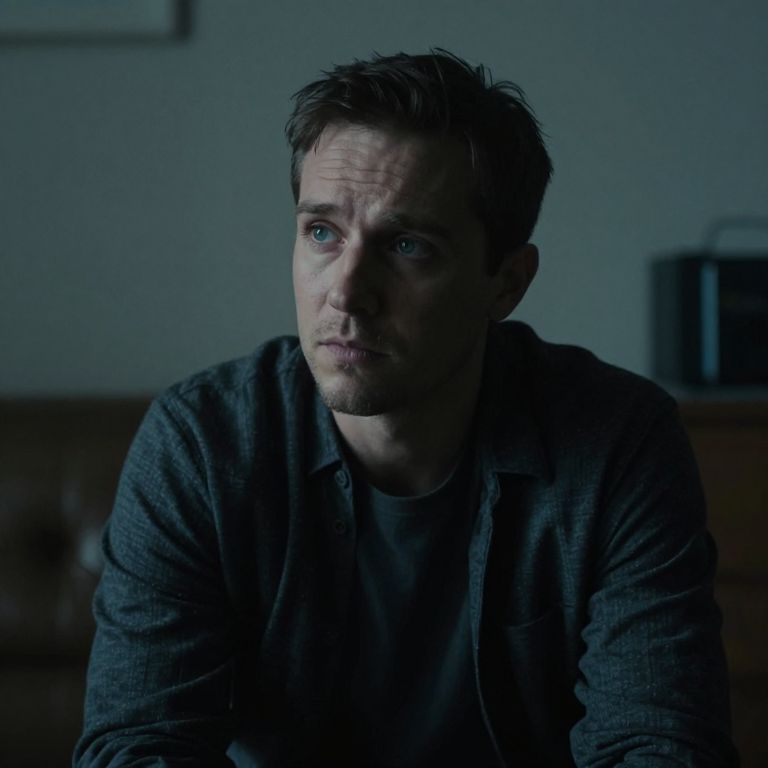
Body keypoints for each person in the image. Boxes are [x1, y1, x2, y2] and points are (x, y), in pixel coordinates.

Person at [74, 50, 738, 767]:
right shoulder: (203, 445)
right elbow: (138, 745)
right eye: (321, 232)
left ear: (506, 283)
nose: (346, 291)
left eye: (407, 245)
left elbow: (661, 745)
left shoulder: (618, 442)